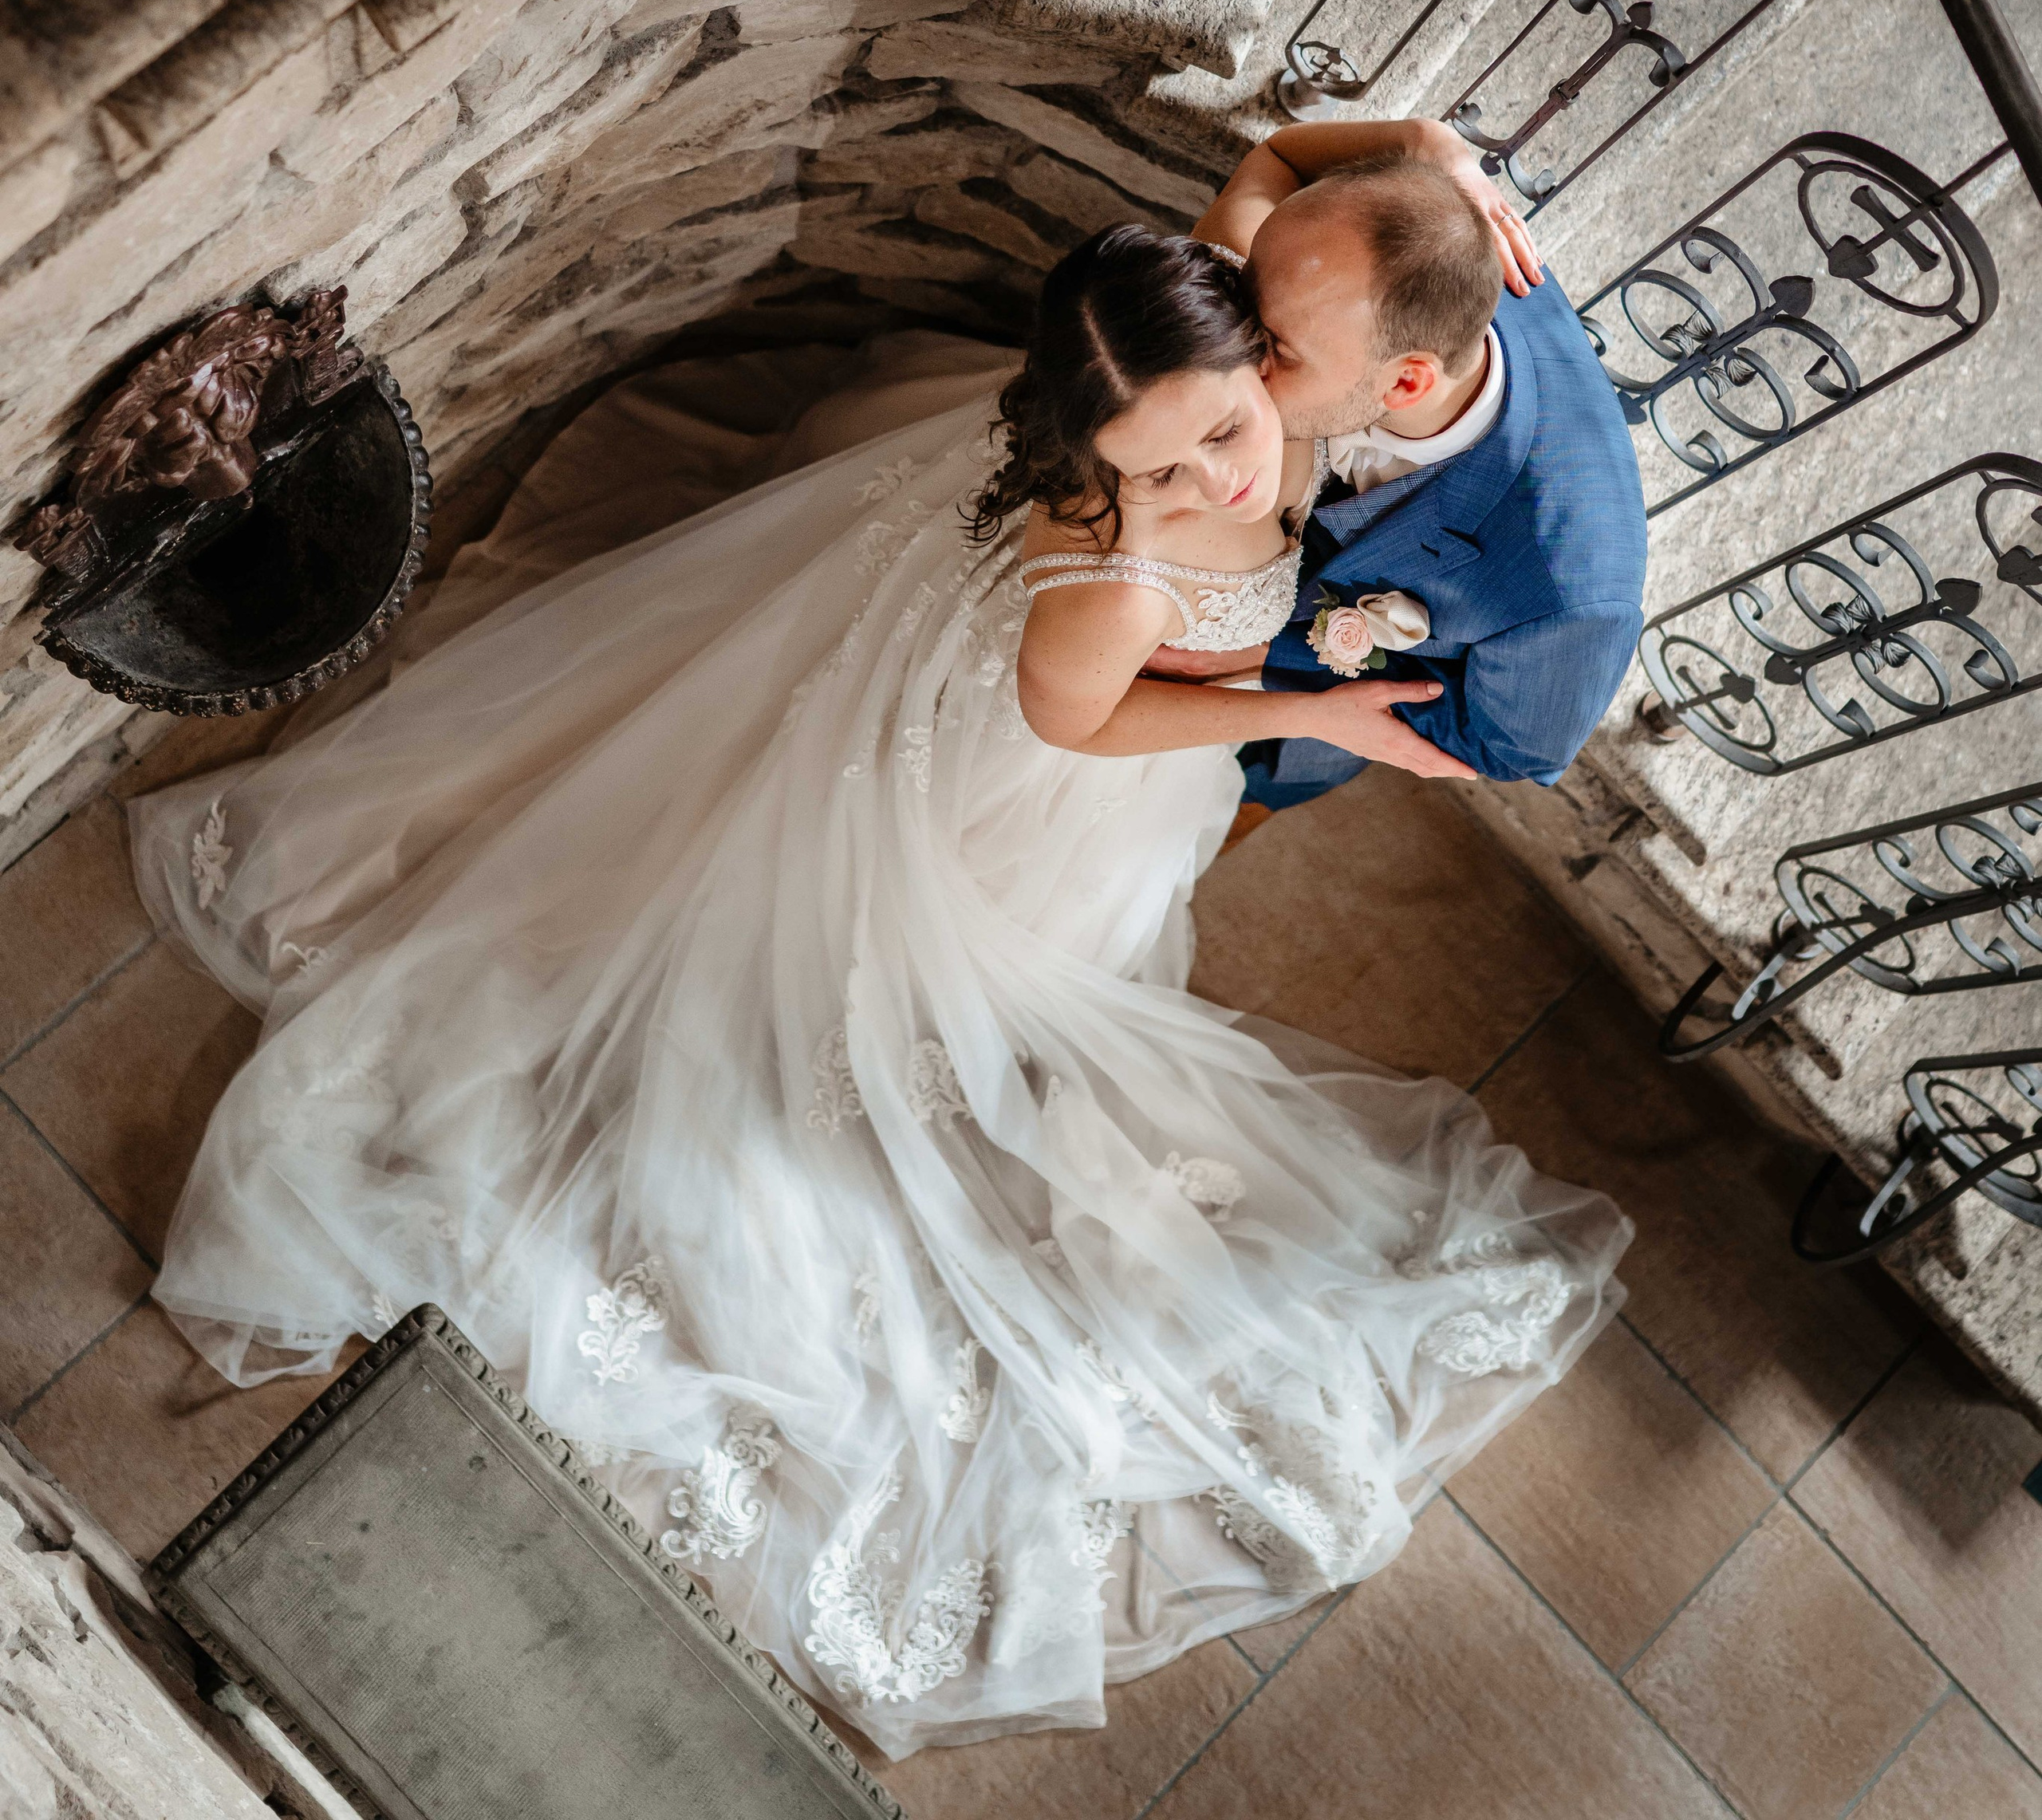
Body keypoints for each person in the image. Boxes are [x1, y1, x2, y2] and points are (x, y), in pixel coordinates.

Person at [128, 224, 1627, 1760]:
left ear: (1261, 352)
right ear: (1104, 464)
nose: (1217, 489)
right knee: (912, 1053)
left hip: (1132, 744)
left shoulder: (1251, 356)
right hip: (1052, 783)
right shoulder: (1110, 584)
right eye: (1159, 476)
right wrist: (1326, 726)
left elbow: (1268, 180)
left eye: (1231, 433)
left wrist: (1437, 170)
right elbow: (1079, 730)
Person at [1175, 116, 1649, 827]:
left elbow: (1508, 749)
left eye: (1279, 350)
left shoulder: (1567, 595)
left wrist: (1262, 665)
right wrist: (1430, 142)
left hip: (1290, 721)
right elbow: (1278, 159)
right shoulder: (1422, 250)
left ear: (1404, 387)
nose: (1241, 361)